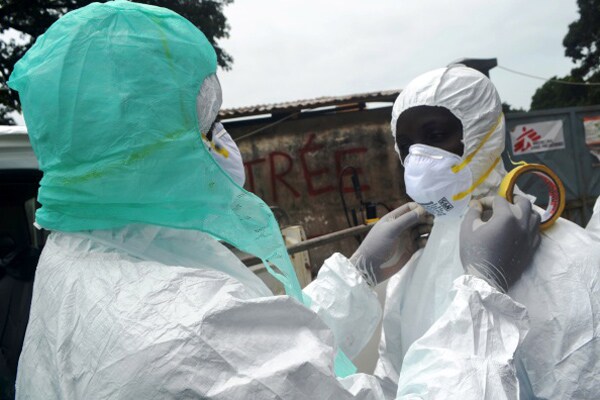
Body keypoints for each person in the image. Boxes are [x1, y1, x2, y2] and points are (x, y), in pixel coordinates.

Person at [8, 3, 540, 399]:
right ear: (146, 149)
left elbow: (278, 355)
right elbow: (237, 357)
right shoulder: (185, 333)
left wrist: (358, 274)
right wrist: (484, 292)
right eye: (207, 125)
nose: (223, 141)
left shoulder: (82, 257)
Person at [375, 65, 600, 399]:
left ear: (484, 131)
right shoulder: (407, 283)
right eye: (406, 145)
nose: (417, 158)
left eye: (435, 136)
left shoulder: (571, 261)